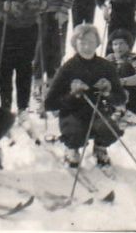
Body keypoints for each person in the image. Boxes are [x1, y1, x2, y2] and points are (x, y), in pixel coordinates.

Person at [44, 24, 126, 168]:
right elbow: (49, 103)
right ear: (75, 43)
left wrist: (107, 92)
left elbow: (121, 98)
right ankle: (72, 149)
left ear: (97, 43)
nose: (87, 46)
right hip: (73, 114)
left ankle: (100, 148)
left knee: (112, 128)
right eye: (82, 42)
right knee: (75, 133)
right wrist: (72, 95)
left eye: (91, 42)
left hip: (98, 112)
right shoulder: (67, 68)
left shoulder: (106, 66)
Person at [29, 0, 76, 97]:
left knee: (56, 49)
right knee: (39, 49)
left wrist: (63, 9)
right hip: (39, 16)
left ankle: (53, 83)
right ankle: (37, 84)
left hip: (57, 14)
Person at [104, 29, 136, 124]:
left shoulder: (135, 58)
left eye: (121, 43)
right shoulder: (109, 59)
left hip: (133, 99)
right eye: (115, 44)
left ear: (128, 45)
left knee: (125, 67)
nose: (118, 47)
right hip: (113, 98)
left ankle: (122, 111)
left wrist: (121, 81)